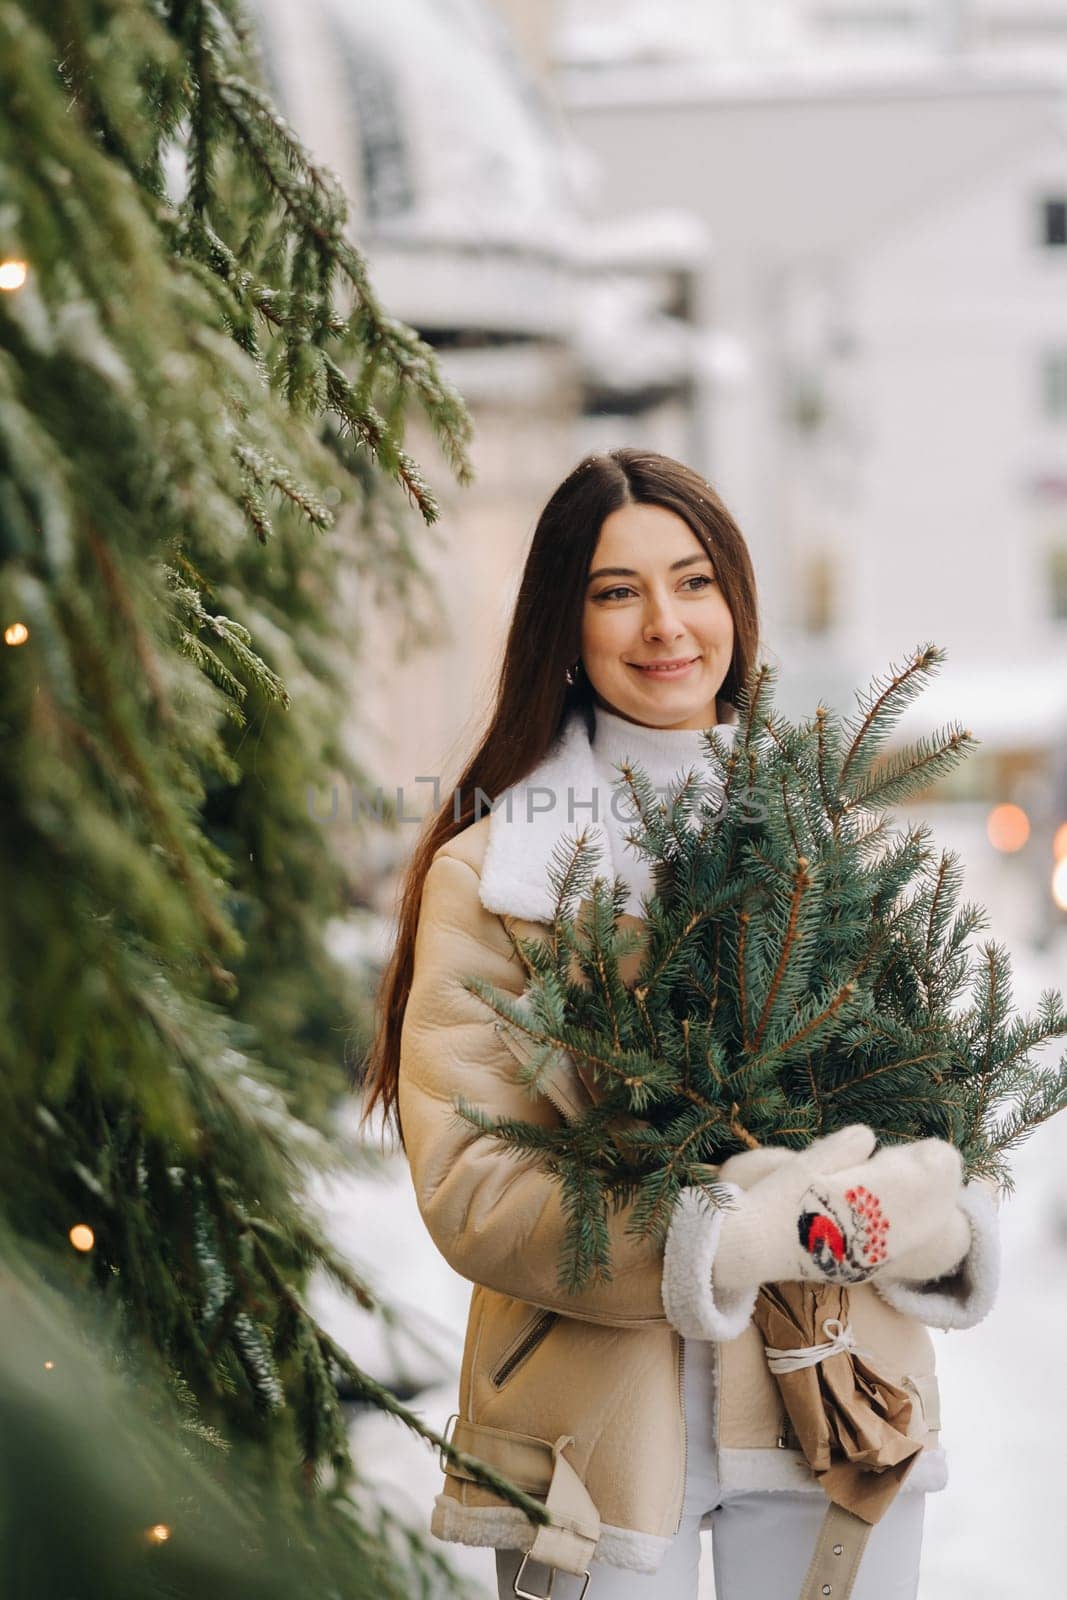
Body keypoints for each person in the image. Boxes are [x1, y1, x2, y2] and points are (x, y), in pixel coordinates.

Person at [362, 449, 1000, 1600]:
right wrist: (708, 1245)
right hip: (585, 1429)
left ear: (736, 605)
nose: (664, 623)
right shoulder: (495, 872)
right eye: (615, 591)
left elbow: (934, 1098)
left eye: (692, 580)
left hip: (838, 1396)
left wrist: (928, 1218)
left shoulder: (827, 847)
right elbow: (471, 1182)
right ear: (563, 620)